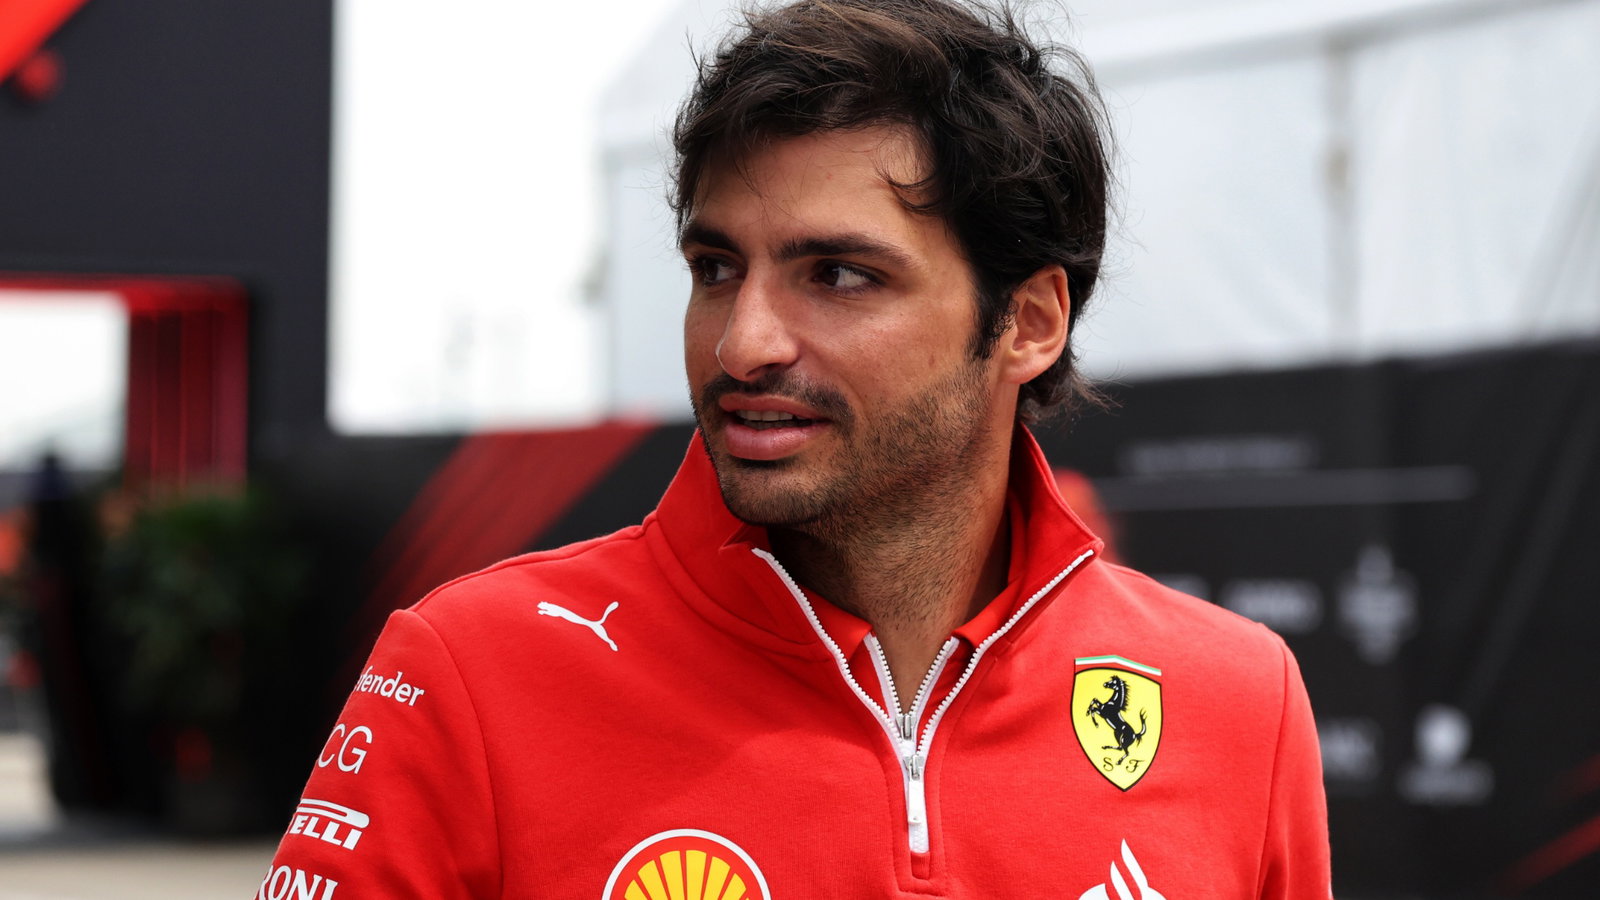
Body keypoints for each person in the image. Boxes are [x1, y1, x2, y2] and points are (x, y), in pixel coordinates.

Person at [259, 1, 1331, 897]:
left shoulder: (1238, 701)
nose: (744, 343)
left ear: (1029, 323)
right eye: (717, 269)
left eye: (840, 275)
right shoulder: (472, 673)